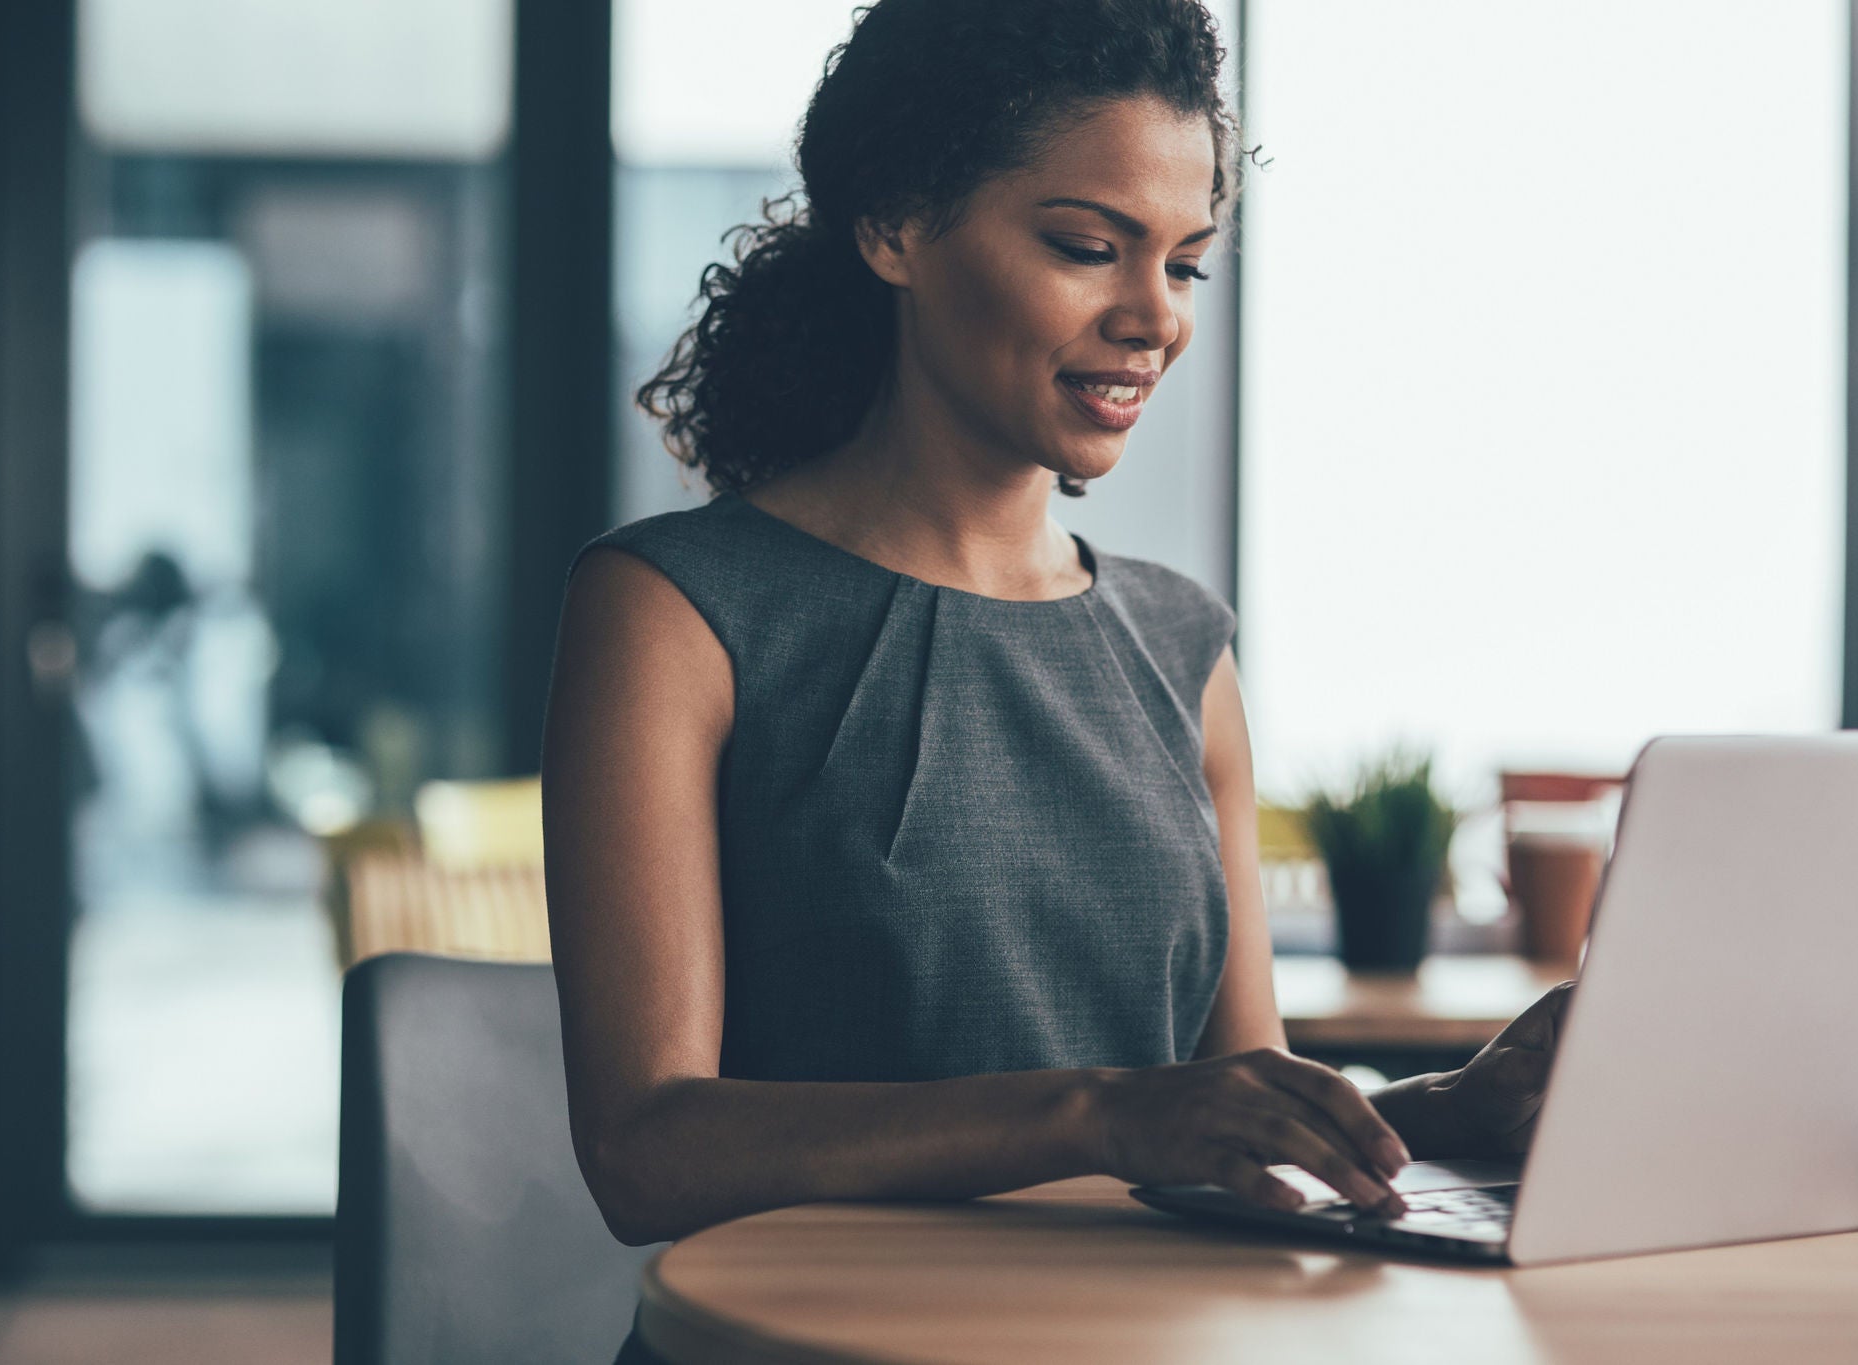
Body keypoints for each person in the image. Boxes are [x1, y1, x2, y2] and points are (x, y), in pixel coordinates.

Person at [541, 0, 1572, 1356]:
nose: (1155, 317)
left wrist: (1453, 1108)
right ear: (896, 225)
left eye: (1189, 266)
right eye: (1089, 247)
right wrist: (1098, 1111)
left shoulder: (1180, 641)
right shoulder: (674, 612)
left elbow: (1224, 1104)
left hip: (1146, 1337)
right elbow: (646, 1148)